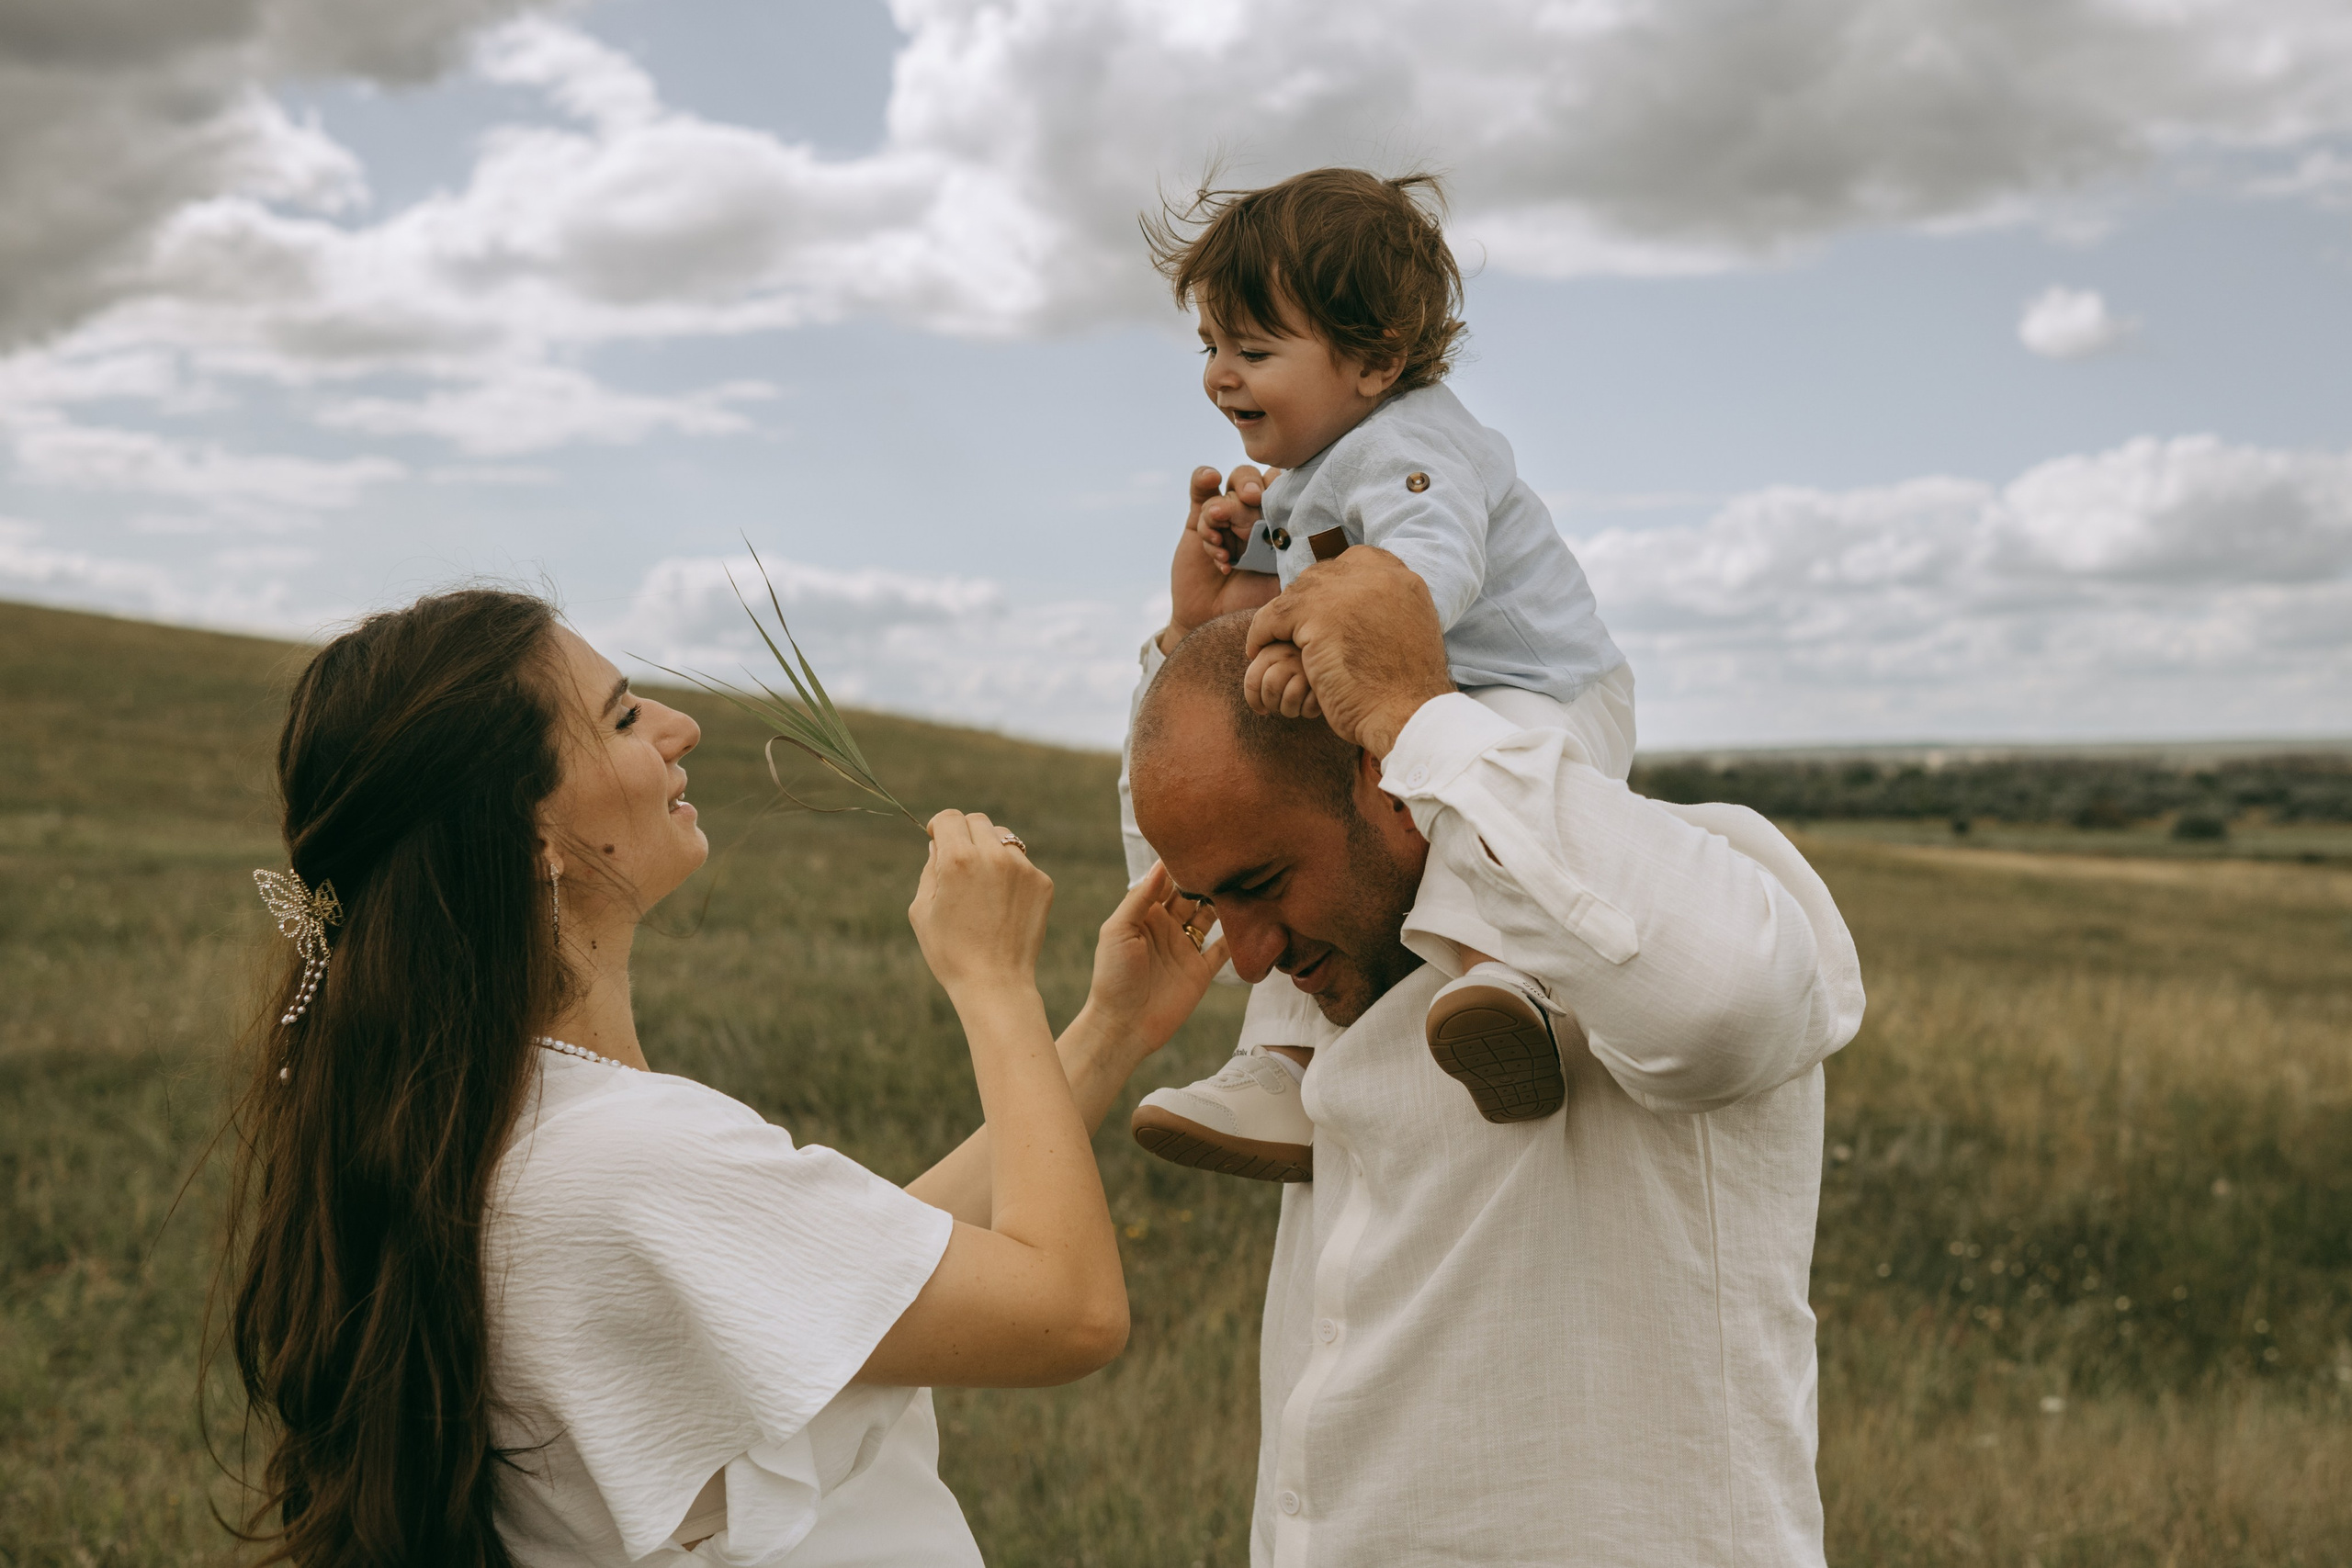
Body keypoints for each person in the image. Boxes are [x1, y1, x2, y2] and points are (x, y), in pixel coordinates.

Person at [221, 588, 1223, 1566]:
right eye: (622, 717)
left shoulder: (511, 1125)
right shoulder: (623, 1153)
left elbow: (843, 1271)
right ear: (531, 837)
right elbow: (1070, 1312)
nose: (681, 727)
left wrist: (1108, 1033)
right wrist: (993, 981)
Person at [1125, 548, 1865, 1565]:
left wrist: (1416, 712)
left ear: (1386, 776)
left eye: (1261, 885)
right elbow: (1221, 839)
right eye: (1215, 902)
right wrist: (1193, 649)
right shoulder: (1340, 971)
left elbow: (1724, 1006)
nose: (1246, 956)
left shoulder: (1665, 890)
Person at [1127, 167, 1634, 1182]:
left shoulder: (1411, 444)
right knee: (1301, 838)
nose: (1220, 377)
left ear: (1374, 360)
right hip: (1426, 691)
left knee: (1487, 793)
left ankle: (1510, 986)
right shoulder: (1309, 474)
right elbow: (1301, 585)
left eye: (1253, 351)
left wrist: (1318, 643)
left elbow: (1425, 570)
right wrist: (1233, 589)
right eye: (1211, 347)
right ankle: (1285, 1065)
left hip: (1538, 687)